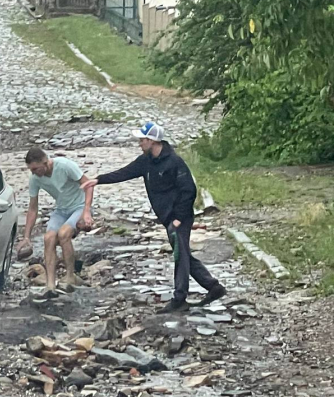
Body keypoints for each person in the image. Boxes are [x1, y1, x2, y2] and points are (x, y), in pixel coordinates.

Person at [81, 121, 226, 313]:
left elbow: (189, 191)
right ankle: (213, 287)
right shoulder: (145, 161)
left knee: (179, 256)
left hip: (179, 218)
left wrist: (178, 219)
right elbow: (124, 172)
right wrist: (98, 180)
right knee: (183, 256)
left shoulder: (174, 162)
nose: (139, 143)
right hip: (167, 218)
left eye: (142, 140)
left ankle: (179, 298)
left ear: (152, 141)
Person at [17, 147, 94, 296]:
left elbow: (88, 184)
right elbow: (33, 209)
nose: (33, 173)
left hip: (78, 206)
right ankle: (50, 285)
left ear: (45, 162)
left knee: (64, 234)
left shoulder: (64, 166)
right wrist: (27, 236)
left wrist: (86, 211)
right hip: (61, 210)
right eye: (30, 170)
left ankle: (70, 276)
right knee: (48, 238)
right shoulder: (35, 178)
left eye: (35, 169)